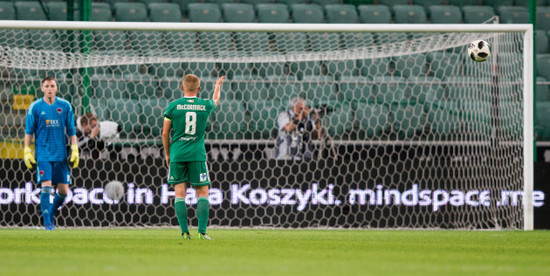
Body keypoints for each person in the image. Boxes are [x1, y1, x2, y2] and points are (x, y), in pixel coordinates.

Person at [162, 74, 225, 240]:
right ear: (199, 89)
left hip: (177, 154)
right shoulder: (204, 105)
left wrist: (168, 153)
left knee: (179, 194)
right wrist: (218, 85)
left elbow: (164, 132)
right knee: (203, 193)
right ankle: (202, 233)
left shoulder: (173, 106)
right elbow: (216, 100)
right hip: (197, 155)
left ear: (182, 87)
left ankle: (184, 233)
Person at [23, 76, 79, 230]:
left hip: (61, 155)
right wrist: (27, 150)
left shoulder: (65, 106)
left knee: (63, 191)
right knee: (46, 186)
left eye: (52, 86)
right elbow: (29, 131)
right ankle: (48, 224)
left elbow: (71, 130)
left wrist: (75, 148)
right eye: (46, 86)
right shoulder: (35, 107)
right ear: (42, 88)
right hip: (44, 155)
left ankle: (51, 213)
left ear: (56, 88)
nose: (49, 88)